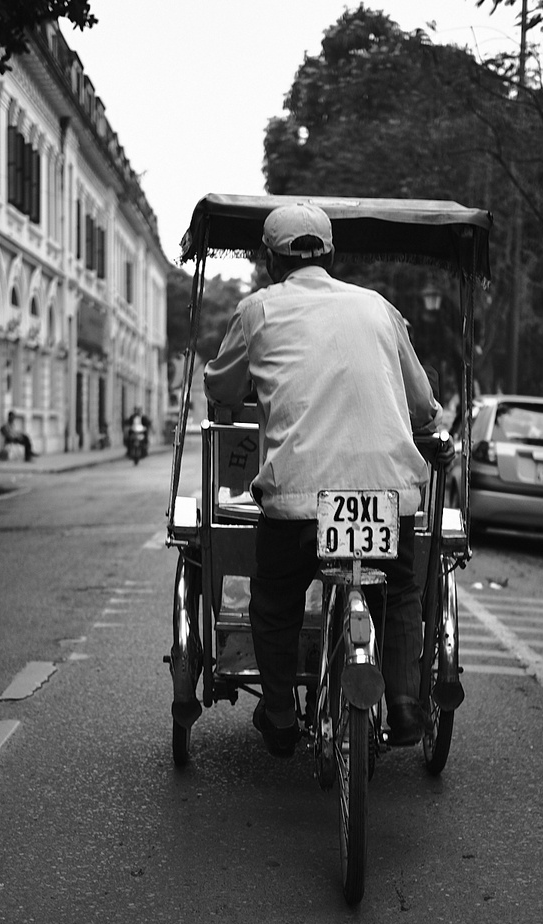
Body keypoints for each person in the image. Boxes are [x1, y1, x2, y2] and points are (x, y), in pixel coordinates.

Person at [204, 202, 445, 757]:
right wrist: (428, 425)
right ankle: (406, 702)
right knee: (400, 588)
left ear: (269, 261)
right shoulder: (380, 309)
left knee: (277, 596)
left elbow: (220, 390)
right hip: (387, 496)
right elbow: (423, 404)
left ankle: (282, 710)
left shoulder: (258, 310)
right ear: (332, 255)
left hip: (298, 499)